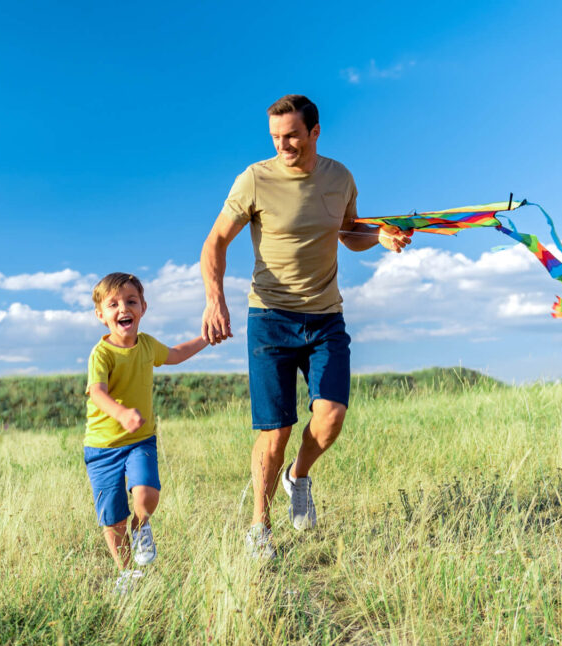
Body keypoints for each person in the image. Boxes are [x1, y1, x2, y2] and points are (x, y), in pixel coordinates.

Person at [200, 94, 411, 559]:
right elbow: (215, 241)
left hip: (325, 317)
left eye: (292, 135)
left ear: (315, 132)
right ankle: (260, 525)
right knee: (274, 432)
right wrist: (214, 299)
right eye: (276, 137)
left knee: (331, 417)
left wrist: (380, 235)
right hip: (270, 319)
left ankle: (300, 474)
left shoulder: (339, 178)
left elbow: (349, 232)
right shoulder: (254, 179)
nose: (283, 144)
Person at [84, 272, 207, 592]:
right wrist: (121, 413)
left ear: (143, 308)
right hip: (102, 447)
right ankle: (127, 573)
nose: (123, 308)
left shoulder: (148, 345)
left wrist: (206, 338)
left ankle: (141, 528)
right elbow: (96, 392)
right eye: (113, 304)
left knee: (147, 494)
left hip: (140, 440)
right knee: (112, 518)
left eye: (130, 301)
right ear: (101, 316)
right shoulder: (102, 354)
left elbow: (176, 355)